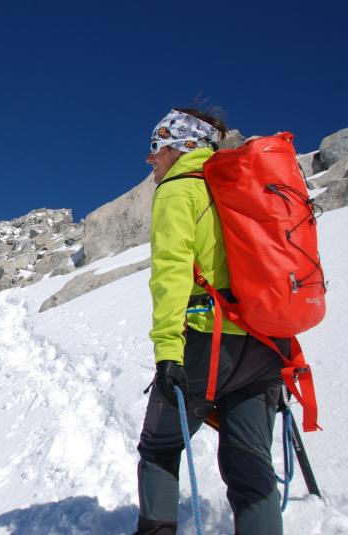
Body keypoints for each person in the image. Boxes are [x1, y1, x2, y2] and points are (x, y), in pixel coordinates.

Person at [134, 109, 286, 535]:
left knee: (159, 447)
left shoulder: (179, 191)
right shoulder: (245, 185)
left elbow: (171, 274)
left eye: (156, 148)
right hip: (265, 343)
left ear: (181, 147)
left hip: (207, 342)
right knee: (251, 468)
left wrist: (168, 354)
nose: (151, 161)